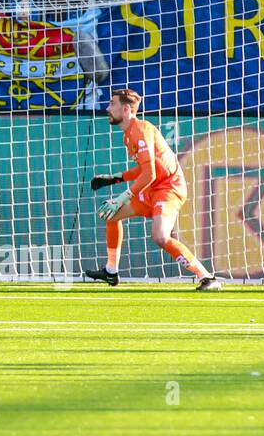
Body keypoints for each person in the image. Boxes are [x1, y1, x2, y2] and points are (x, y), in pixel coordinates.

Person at [86, 89, 222, 291]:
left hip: (168, 188)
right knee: (112, 217)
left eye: (112, 104)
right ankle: (111, 271)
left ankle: (208, 278)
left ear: (125, 109)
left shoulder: (141, 130)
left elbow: (149, 174)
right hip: (151, 188)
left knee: (160, 236)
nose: (107, 108)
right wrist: (116, 178)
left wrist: (121, 197)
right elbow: (146, 170)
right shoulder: (128, 135)